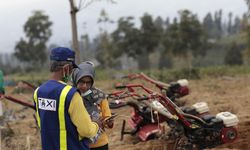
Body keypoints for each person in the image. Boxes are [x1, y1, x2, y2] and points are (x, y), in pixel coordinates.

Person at [33, 47, 99, 150]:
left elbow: (43, 123)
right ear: (66, 68)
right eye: (72, 69)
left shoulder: (38, 92)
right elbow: (86, 130)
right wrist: (96, 125)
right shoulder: (70, 94)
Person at [72, 61, 114, 150]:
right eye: (81, 82)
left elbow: (107, 117)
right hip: (78, 144)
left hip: (100, 144)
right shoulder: (70, 96)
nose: (85, 86)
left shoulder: (100, 96)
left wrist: (109, 122)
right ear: (75, 79)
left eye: (88, 82)